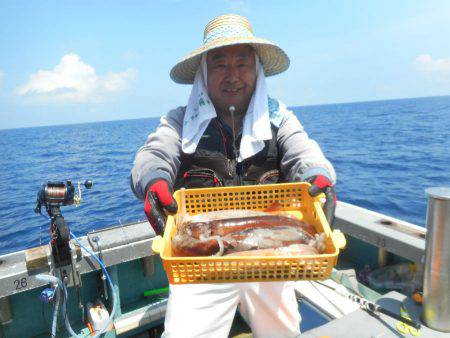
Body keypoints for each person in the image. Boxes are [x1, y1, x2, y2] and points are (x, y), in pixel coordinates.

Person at [131, 14, 336, 338]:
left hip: (269, 259)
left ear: (257, 70)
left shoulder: (280, 118)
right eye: (220, 64)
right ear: (203, 73)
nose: (233, 75)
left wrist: (318, 175)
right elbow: (154, 153)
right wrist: (154, 180)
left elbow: (304, 152)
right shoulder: (178, 121)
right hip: (200, 262)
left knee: (283, 331)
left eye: (242, 63)